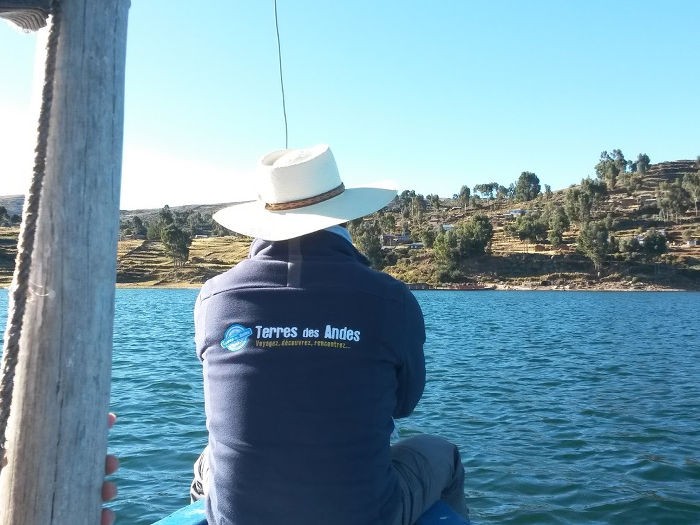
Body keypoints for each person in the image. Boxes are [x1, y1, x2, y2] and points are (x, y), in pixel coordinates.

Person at [192, 144, 468, 525]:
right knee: (443, 454)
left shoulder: (214, 297)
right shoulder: (391, 298)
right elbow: (403, 405)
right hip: (364, 516)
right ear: (343, 214)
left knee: (208, 460)